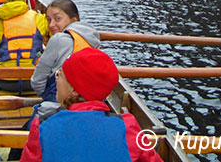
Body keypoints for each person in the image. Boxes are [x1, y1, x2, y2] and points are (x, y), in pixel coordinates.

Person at [20, 48, 163, 162]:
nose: (56, 79)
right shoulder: (127, 126)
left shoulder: (42, 126)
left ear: (74, 90)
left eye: (60, 75)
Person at [0, 0, 48, 94]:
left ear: (6, 4)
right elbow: (53, 33)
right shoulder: (38, 18)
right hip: (34, 81)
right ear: (24, 4)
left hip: (5, 82)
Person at [30, 0, 100, 101]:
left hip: (59, 100)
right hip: (89, 99)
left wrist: (46, 98)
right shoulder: (92, 38)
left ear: (74, 20)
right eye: (49, 20)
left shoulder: (58, 39)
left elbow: (37, 81)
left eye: (57, 19)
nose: (51, 25)